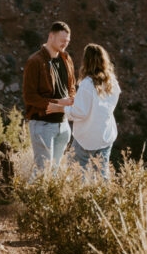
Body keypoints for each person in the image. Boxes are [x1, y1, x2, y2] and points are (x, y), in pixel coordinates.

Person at [47, 43, 119, 180]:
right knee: (101, 176)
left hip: (86, 138)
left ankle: (77, 199)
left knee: (76, 175)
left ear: (87, 61)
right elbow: (100, 105)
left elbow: (80, 113)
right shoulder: (112, 82)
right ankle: (103, 200)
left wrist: (60, 108)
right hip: (105, 136)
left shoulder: (87, 83)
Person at [22, 20, 75, 177]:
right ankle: (29, 201)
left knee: (54, 172)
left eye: (67, 41)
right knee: (41, 172)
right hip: (43, 124)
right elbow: (29, 96)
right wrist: (58, 103)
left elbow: (71, 86)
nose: (65, 44)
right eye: (62, 40)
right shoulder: (35, 61)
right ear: (51, 36)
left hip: (63, 125)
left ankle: (46, 201)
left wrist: (72, 99)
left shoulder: (66, 59)